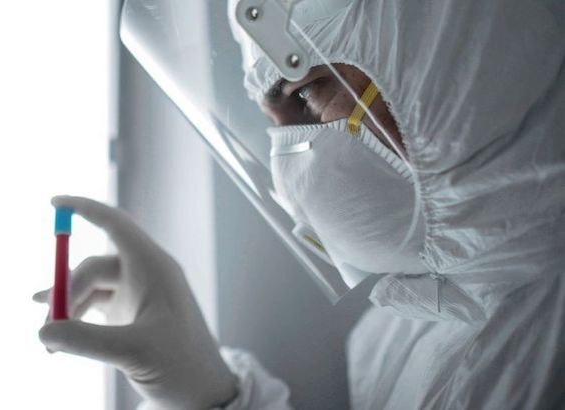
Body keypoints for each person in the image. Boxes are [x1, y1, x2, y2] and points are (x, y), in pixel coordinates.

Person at [35, 0, 565, 408]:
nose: (287, 173)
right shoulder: (398, 337)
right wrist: (210, 394)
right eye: (273, 125)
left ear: (456, 48)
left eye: (307, 94)